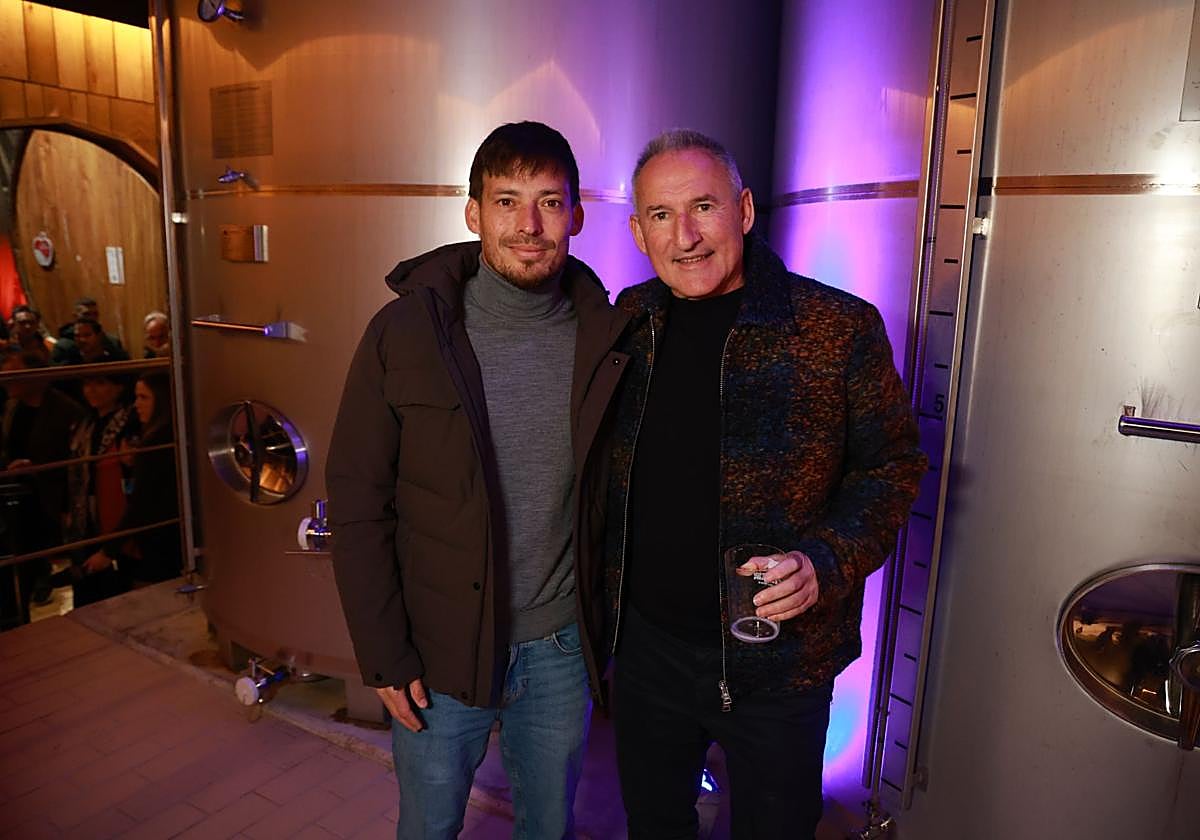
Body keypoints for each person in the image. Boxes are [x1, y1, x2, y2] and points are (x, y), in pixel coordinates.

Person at [605, 130, 927, 840]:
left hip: (781, 664)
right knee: (654, 825)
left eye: (704, 207)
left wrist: (827, 561)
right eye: (661, 215)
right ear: (637, 231)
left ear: (744, 211)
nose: (685, 236)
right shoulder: (628, 321)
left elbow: (893, 465)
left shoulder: (837, 327)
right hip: (649, 652)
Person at [327, 121, 629, 840]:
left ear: (576, 216)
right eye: (506, 201)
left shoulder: (607, 337)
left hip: (560, 649)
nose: (529, 225)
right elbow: (359, 500)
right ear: (473, 214)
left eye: (549, 202)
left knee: (548, 827)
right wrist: (384, 653)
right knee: (429, 827)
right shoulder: (405, 333)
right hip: (439, 650)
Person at [0, 348, 84, 622]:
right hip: (16, 496)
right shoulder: (13, 407)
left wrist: (37, 468)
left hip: (50, 497)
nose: (6, 380)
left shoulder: (65, 410)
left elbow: (74, 461)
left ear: (37, 375)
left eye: (13, 374)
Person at [82, 373, 181, 585]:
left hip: (160, 535)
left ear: (162, 400)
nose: (136, 404)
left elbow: (142, 502)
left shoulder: (156, 441)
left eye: (144, 397)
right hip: (170, 531)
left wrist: (109, 550)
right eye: (136, 397)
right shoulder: (168, 434)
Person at [63, 373, 139, 606]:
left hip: (115, 505)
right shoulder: (84, 422)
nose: (91, 390)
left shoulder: (129, 422)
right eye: (87, 383)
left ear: (118, 388)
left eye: (100, 383)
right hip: (85, 510)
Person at [51, 317, 130, 366]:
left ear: (99, 336)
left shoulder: (117, 361)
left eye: (87, 335)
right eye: (77, 336)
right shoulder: (70, 365)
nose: (82, 340)